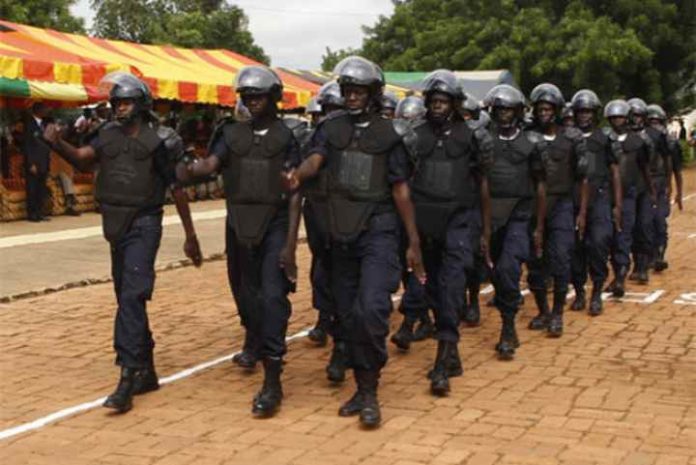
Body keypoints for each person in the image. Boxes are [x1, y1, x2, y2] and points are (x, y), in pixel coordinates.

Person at [43, 72, 202, 413]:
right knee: (126, 296)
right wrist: (57, 142)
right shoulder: (107, 134)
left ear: (141, 105)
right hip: (114, 223)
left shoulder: (161, 141)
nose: (119, 107)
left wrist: (191, 236)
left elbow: (176, 188)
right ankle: (147, 369)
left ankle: (127, 375)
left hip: (144, 223)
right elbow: (84, 157)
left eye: (126, 102)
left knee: (132, 294)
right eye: (116, 102)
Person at [283, 56, 425, 428]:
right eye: (348, 90)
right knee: (346, 315)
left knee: (372, 310)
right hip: (340, 233)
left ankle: (371, 390)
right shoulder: (329, 128)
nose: (352, 97)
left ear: (374, 94)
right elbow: (315, 159)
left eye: (360, 91)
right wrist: (299, 174)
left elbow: (401, 190)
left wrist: (413, 243)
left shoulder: (391, 134)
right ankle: (361, 388)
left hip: (379, 230)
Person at [179, 66, 301, 418]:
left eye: (258, 96)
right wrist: (188, 166)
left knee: (273, 296)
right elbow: (211, 166)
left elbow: (295, 193)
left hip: (275, 222)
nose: (252, 102)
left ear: (273, 98)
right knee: (245, 293)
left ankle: (273, 378)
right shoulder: (230, 134)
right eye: (247, 97)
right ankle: (253, 336)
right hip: (238, 224)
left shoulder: (287, 136)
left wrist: (290, 246)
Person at [409, 70, 493, 395]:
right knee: (430, 289)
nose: (438, 106)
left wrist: (485, 230)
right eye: (434, 101)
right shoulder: (414, 135)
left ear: (455, 104)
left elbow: (484, 185)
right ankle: (451, 350)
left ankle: (442, 359)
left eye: (444, 101)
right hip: (425, 223)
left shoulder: (474, 137)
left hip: (460, 222)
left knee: (452, 286)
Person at [484, 84, 546, 359]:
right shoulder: (483, 139)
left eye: (509, 109)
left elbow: (541, 184)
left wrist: (539, 225)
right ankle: (503, 306)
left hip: (519, 214)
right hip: (488, 214)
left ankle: (508, 327)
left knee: (509, 267)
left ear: (519, 112)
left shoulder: (532, 144)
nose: (504, 114)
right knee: (494, 271)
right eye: (500, 110)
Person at [525, 83, 589, 338]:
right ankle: (543, 311)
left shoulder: (573, 138)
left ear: (558, 110)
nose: (544, 112)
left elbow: (584, 178)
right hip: (532, 206)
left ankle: (558, 313)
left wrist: (581, 213)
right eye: (540, 108)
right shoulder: (527, 136)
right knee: (535, 262)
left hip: (562, 205)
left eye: (549, 108)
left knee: (561, 259)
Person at [569, 90, 622, 316]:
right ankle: (580, 291)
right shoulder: (568, 136)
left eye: (588, 111)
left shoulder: (605, 139)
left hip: (599, 196)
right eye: (580, 111)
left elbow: (615, 172)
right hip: (572, 198)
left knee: (599, 244)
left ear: (595, 113)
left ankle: (597, 291)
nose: (584, 116)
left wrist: (617, 205)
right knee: (575, 248)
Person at [303, 81, 344, 353]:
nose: (330, 115)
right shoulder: (311, 140)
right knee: (321, 267)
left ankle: (341, 325)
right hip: (317, 209)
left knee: (344, 270)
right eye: (327, 110)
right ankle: (323, 317)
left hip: (345, 213)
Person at [604, 100, 654, 297]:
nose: (617, 120)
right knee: (606, 237)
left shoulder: (638, 142)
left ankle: (620, 277)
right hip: (605, 194)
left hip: (629, 194)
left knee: (623, 235)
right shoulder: (604, 139)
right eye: (614, 117)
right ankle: (614, 272)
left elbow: (644, 167)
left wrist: (651, 191)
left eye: (621, 117)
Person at [626, 98, 661, 284]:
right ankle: (634, 265)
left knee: (645, 227)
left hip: (645, 187)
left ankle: (642, 266)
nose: (636, 119)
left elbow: (650, 165)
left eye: (639, 116)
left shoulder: (652, 136)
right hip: (629, 187)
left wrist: (653, 190)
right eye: (633, 115)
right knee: (629, 228)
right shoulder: (623, 136)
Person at [646, 104, 682, 271]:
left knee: (660, 221)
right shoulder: (642, 140)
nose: (655, 125)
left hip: (661, 185)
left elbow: (675, 169)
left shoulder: (669, 142)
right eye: (651, 121)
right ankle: (648, 255)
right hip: (645, 185)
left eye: (657, 121)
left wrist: (676, 192)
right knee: (646, 222)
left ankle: (659, 254)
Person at [22, 102, 52, 222]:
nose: (46, 110)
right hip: (34, 163)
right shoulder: (29, 125)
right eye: (45, 108)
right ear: (38, 110)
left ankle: (40, 212)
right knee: (32, 189)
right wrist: (30, 163)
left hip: (43, 162)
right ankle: (32, 214)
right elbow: (27, 146)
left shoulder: (44, 124)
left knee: (41, 189)